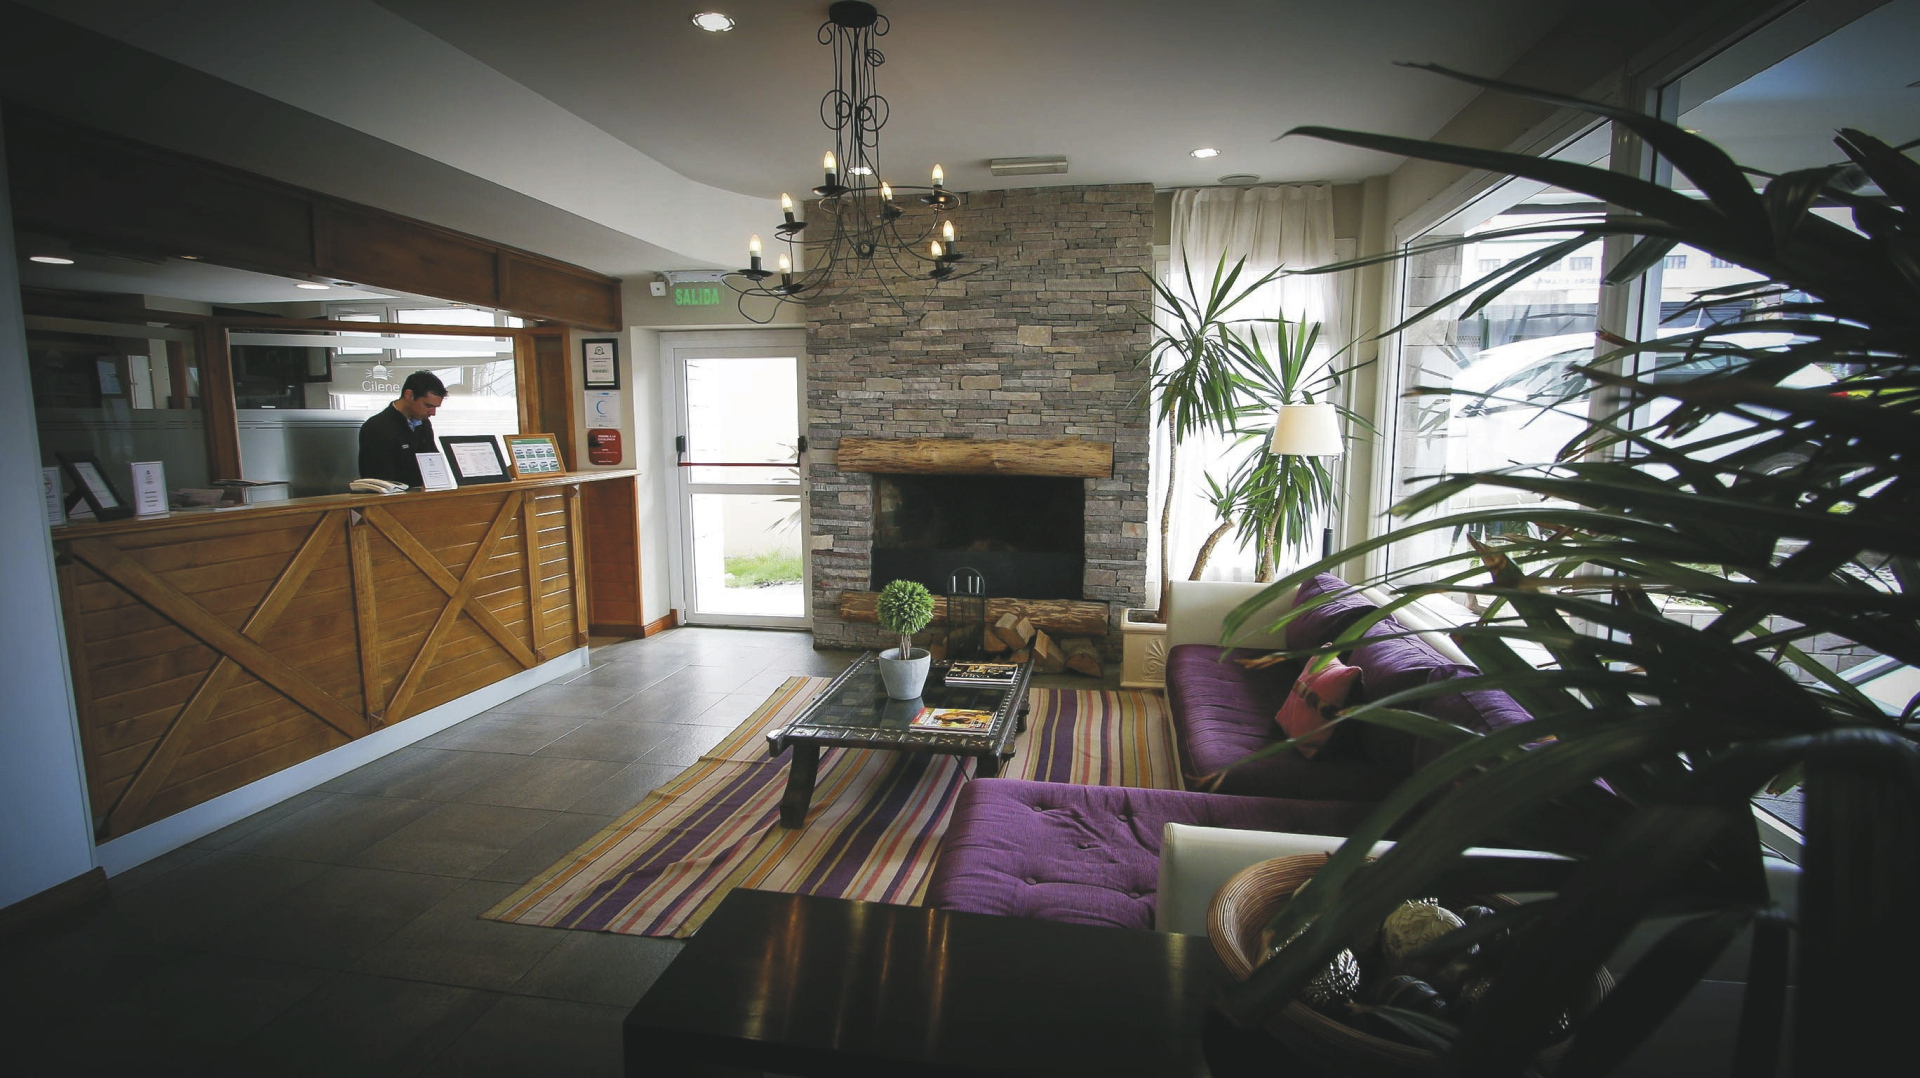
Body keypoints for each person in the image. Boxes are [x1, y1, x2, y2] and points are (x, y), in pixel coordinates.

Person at [357, 371, 446, 487]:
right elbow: (379, 480)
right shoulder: (377, 427)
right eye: (428, 405)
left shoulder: (423, 423)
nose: (433, 413)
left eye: (436, 407)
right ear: (409, 395)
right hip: (394, 495)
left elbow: (432, 461)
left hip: (421, 494)